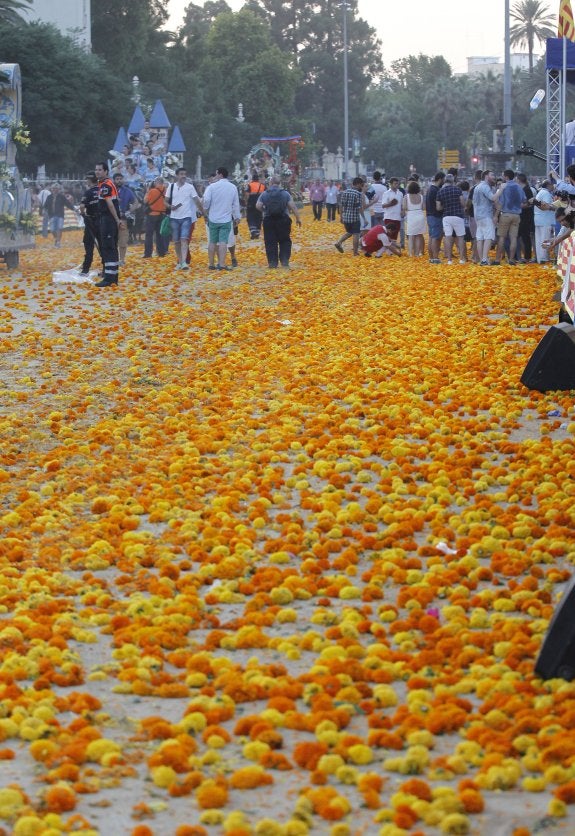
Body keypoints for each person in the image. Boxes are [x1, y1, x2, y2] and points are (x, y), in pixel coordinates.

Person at [255, 175, 301, 268]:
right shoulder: (285, 194)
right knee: (285, 240)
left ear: (270, 183)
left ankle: (272, 262)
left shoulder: (265, 194)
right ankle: (284, 260)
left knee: (270, 241)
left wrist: (265, 210)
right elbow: (293, 206)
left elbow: (258, 205)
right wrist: (298, 218)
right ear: (279, 183)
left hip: (269, 220)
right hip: (283, 219)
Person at [202, 166, 241, 271]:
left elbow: (206, 201)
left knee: (212, 241)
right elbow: (235, 204)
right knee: (223, 241)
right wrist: (237, 217)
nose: (215, 176)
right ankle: (222, 264)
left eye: (216, 174)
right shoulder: (232, 187)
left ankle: (211, 264)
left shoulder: (211, 187)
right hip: (226, 219)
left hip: (213, 218)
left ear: (220, 174)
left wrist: (205, 210)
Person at [165, 167, 204, 270]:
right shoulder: (171, 187)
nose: (183, 176)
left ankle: (183, 262)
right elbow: (165, 201)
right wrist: (170, 207)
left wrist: (203, 212)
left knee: (184, 239)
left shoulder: (190, 187)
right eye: (181, 174)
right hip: (174, 217)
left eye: (184, 174)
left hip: (186, 217)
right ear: (177, 176)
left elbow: (196, 200)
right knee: (176, 241)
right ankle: (180, 260)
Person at [94, 161, 124, 287]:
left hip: (108, 220)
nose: (97, 172)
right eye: (96, 169)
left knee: (108, 248)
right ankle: (113, 276)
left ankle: (109, 278)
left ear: (106, 171)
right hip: (109, 219)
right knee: (111, 247)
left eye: (100, 169)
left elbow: (110, 204)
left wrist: (117, 220)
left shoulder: (106, 185)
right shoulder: (107, 184)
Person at [494, 169, 524, 265]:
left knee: (502, 237)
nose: (502, 177)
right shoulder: (519, 187)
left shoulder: (504, 187)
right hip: (517, 215)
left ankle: (498, 259)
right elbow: (523, 200)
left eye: (503, 176)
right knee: (513, 238)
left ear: (506, 177)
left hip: (506, 214)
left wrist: (496, 215)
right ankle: (511, 259)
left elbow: (500, 204)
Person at [436, 173, 466, 264]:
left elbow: (438, 208)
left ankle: (449, 259)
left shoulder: (440, 191)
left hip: (446, 216)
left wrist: (445, 206)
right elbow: (462, 203)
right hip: (458, 215)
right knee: (460, 237)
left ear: (445, 181)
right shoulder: (458, 189)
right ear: (453, 181)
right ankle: (461, 258)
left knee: (448, 237)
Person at [334, 177, 367, 256]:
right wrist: (364, 218)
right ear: (358, 184)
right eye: (361, 185)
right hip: (354, 217)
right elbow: (359, 208)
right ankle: (355, 252)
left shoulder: (345, 192)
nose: (361, 187)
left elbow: (341, 205)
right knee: (356, 234)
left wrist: (341, 216)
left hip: (346, 217)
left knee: (349, 232)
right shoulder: (358, 194)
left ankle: (339, 242)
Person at [113, 172, 139, 266]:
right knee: (112, 240)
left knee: (123, 240)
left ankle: (122, 260)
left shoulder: (127, 191)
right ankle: (113, 259)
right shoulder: (110, 190)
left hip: (123, 218)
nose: (119, 181)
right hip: (111, 219)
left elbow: (136, 202)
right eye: (117, 179)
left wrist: (129, 211)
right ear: (114, 180)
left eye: (121, 179)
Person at [79, 171, 101, 276]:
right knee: (103, 245)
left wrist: (83, 214)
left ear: (89, 180)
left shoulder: (88, 192)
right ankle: (106, 269)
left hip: (91, 220)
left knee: (89, 245)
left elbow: (82, 206)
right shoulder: (102, 190)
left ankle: (85, 269)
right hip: (102, 221)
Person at [143, 176, 169, 259]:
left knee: (149, 235)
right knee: (160, 234)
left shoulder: (152, 191)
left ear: (156, 182)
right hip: (162, 215)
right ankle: (161, 252)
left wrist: (147, 191)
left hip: (152, 215)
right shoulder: (166, 190)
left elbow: (145, 201)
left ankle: (148, 254)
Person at [44, 182, 76, 248]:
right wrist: (44, 211)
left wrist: (74, 209)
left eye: (56, 188)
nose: (55, 190)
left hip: (60, 215)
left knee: (59, 228)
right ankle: (56, 239)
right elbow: (45, 206)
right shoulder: (49, 197)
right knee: (52, 229)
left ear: (58, 189)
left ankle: (58, 242)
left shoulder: (61, 197)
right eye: (54, 188)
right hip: (51, 215)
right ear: (51, 189)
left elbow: (67, 204)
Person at [534, 179, 556, 264]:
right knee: (545, 239)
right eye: (552, 184)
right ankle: (544, 258)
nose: (553, 186)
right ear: (548, 185)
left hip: (539, 219)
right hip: (545, 220)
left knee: (539, 239)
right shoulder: (546, 193)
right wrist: (555, 207)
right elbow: (546, 206)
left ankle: (540, 258)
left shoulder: (540, 193)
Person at [402, 180, 425, 256]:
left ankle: (410, 253)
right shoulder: (421, 196)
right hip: (420, 215)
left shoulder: (406, 196)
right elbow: (423, 207)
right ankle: (417, 253)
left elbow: (404, 207)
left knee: (411, 235)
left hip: (411, 215)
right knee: (418, 235)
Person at [426, 172, 445, 263]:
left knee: (431, 237)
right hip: (436, 216)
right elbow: (439, 205)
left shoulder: (430, 189)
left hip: (430, 215)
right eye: (444, 180)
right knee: (435, 238)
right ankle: (435, 257)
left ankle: (431, 257)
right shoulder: (436, 190)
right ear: (440, 179)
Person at [516, 172, 535, 262]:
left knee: (525, 236)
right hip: (522, 216)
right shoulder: (523, 189)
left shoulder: (526, 190)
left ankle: (527, 257)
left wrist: (519, 206)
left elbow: (530, 203)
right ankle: (522, 256)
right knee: (520, 236)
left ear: (519, 180)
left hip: (525, 216)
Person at [244, 172, 266, 239]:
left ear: (252, 179)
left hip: (251, 203)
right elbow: (265, 194)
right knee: (259, 216)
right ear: (258, 179)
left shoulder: (249, 185)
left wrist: (246, 202)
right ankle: (258, 230)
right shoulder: (262, 185)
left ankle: (253, 231)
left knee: (250, 216)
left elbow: (247, 195)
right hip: (260, 203)